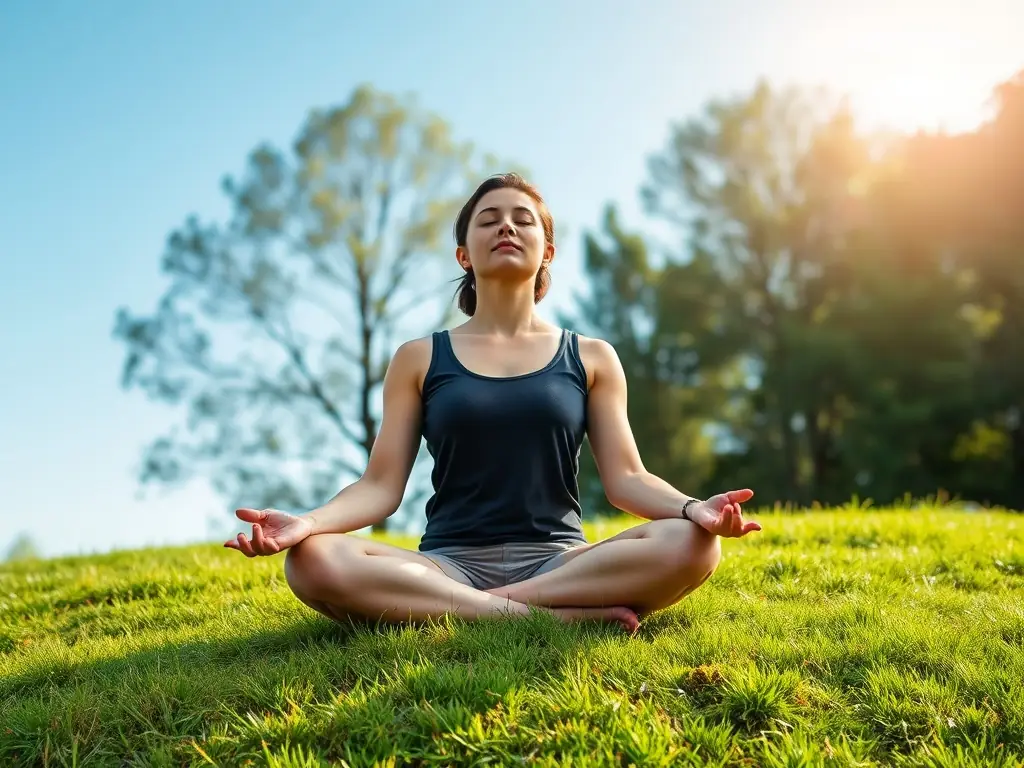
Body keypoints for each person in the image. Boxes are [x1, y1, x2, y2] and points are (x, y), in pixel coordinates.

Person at [225, 173, 761, 633]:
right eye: (488, 219)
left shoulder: (592, 356)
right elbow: (380, 487)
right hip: (446, 566)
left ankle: (488, 609)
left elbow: (627, 480)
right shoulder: (417, 358)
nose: (506, 226)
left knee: (693, 546)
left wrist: (696, 509)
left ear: (547, 250)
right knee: (314, 561)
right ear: (464, 253)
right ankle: (545, 618)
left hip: (559, 562)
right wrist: (309, 524)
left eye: (523, 219)